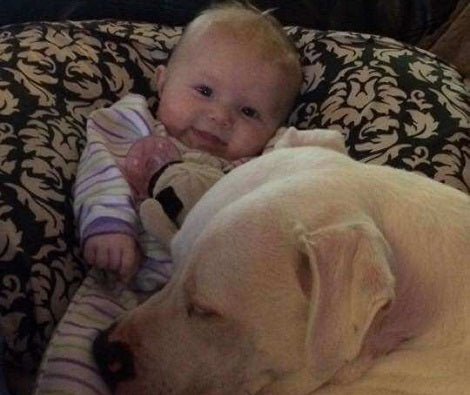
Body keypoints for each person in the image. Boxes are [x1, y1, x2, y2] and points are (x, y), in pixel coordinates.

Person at [73, 0, 303, 284]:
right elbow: (101, 165)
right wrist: (109, 224)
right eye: (204, 91)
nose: (219, 116)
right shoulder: (135, 124)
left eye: (248, 111)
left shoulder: (261, 163)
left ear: (274, 128)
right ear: (163, 81)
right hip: (122, 283)